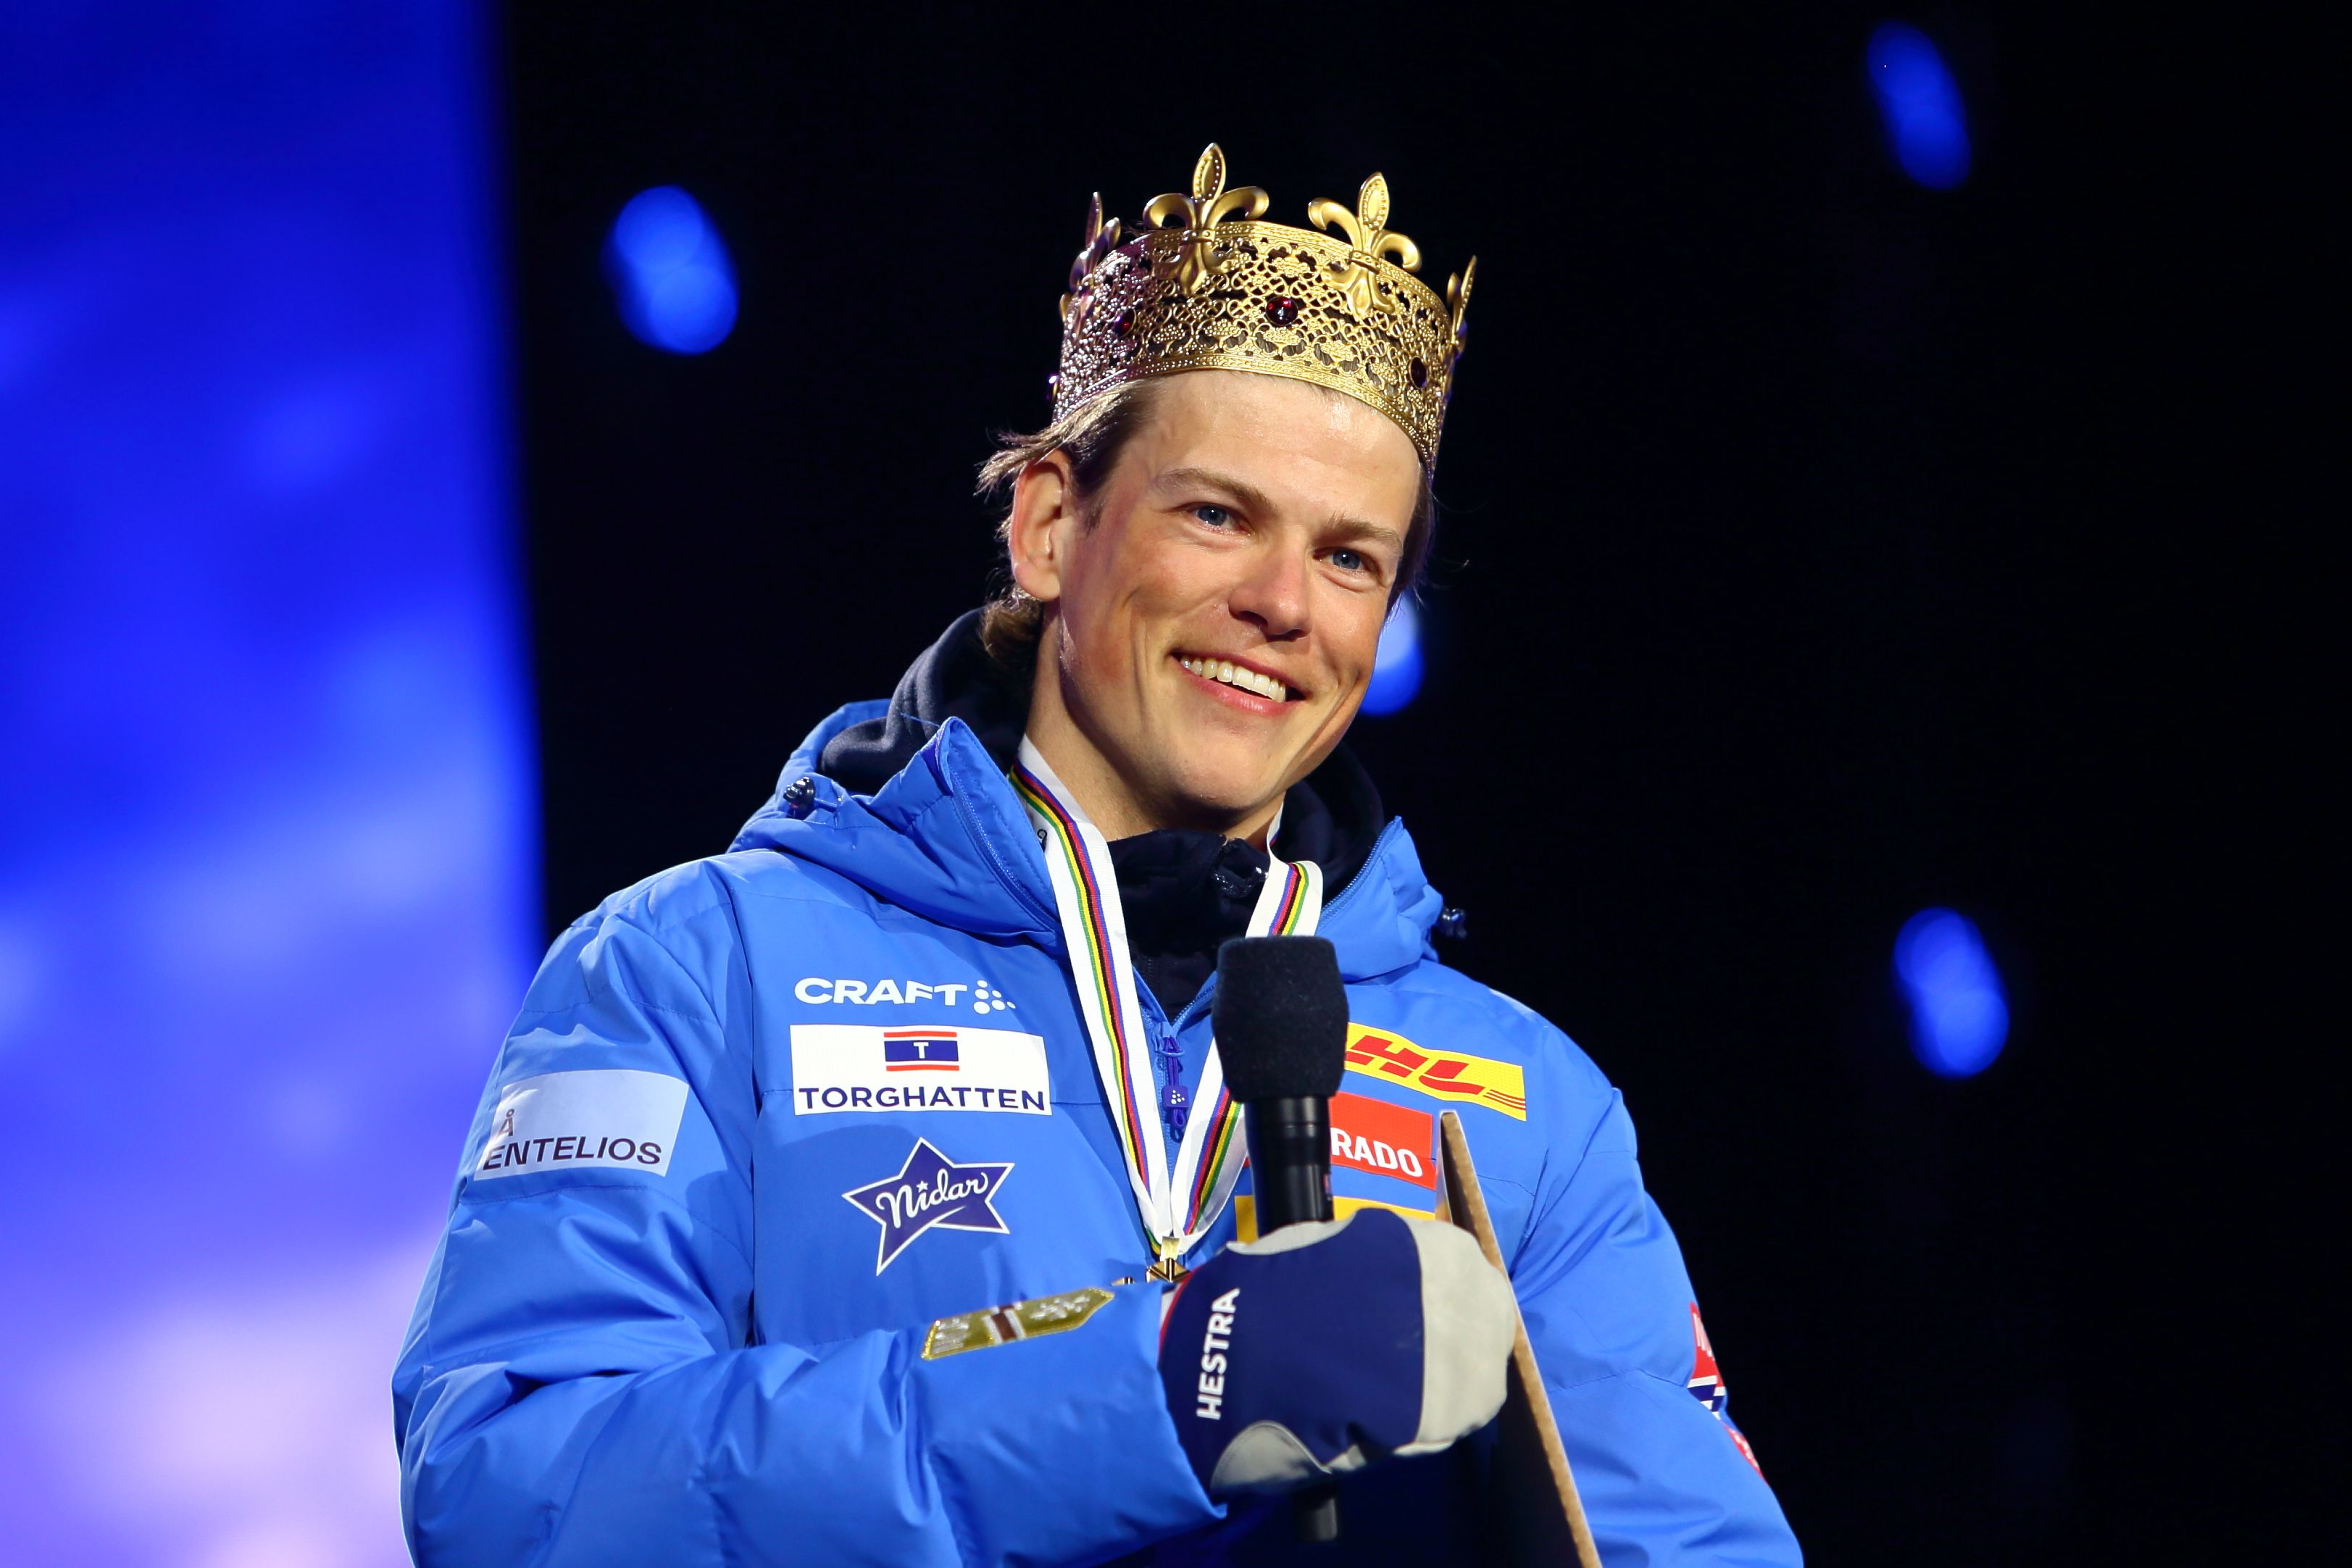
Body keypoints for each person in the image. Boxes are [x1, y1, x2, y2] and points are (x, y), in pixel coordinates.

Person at [393, 143, 1802, 1567]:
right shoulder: (695, 970)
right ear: (1051, 525)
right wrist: (1166, 1387)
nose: (1282, 603)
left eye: (1349, 558)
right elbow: (519, 1495)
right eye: (1219, 515)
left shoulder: (1523, 1100)